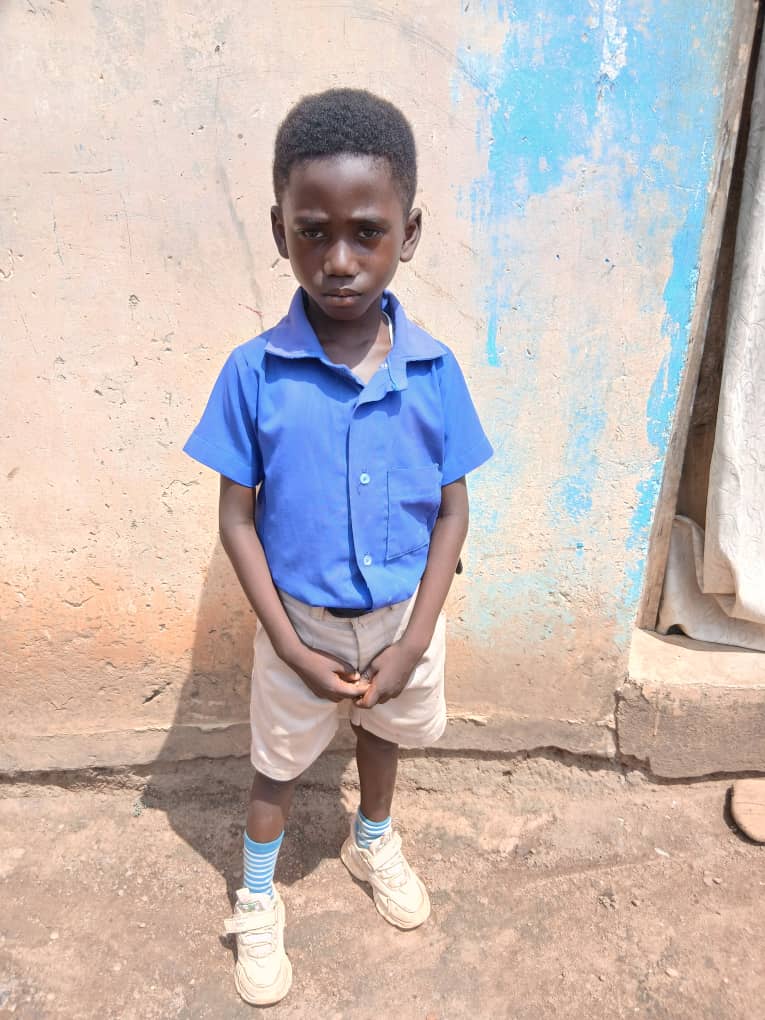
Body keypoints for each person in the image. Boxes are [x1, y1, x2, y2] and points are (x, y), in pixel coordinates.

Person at [183, 87, 493, 1006]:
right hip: (302, 627)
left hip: (403, 620)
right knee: (276, 764)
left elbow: (452, 514)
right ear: (279, 233)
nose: (341, 260)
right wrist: (287, 644)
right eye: (313, 233)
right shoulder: (253, 373)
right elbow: (236, 519)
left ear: (410, 232)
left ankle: (372, 839)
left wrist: (413, 639)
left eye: (367, 232)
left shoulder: (434, 370)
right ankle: (256, 894)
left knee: (385, 735)